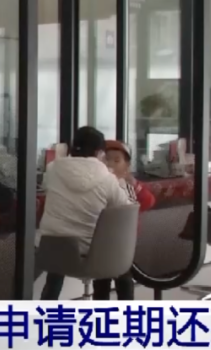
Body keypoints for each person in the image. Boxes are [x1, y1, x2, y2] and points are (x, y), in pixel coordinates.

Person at [38, 126, 132, 300]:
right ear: (99, 152)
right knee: (122, 270)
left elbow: (45, 187)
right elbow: (126, 210)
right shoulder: (108, 179)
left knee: (59, 254)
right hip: (89, 255)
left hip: (50, 249)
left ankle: (44, 310)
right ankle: (126, 315)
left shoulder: (52, 169)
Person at [97, 139, 155, 300]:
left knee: (124, 280)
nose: (110, 164)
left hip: (124, 243)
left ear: (127, 166)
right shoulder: (96, 185)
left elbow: (148, 201)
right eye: (106, 159)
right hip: (101, 242)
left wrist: (134, 183)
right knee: (101, 282)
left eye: (117, 161)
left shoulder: (130, 186)